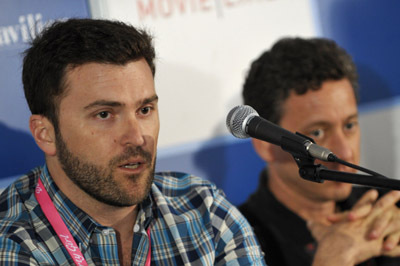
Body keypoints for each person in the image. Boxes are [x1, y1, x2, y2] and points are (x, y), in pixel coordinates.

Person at [0, 18, 265, 265]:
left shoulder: (203, 209)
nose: (137, 137)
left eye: (144, 110)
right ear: (45, 133)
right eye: (104, 114)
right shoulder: (12, 242)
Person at [238, 37, 400, 266]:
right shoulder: (235, 242)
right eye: (317, 133)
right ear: (266, 146)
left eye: (349, 125)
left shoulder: (388, 210)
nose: (345, 151)